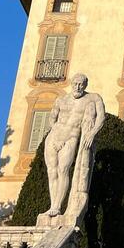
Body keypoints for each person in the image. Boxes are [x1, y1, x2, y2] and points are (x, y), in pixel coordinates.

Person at [43, 73, 105, 217]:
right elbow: (52, 119)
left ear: (85, 85)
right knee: (51, 172)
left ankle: (57, 206)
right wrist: (57, 133)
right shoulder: (61, 100)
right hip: (54, 137)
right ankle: (53, 204)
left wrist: (92, 133)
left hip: (71, 137)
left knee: (63, 170)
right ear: (71, 84)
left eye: (81, 84)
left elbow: (101, 117)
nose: (78, 87)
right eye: (75, 84)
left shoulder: (93, 98)